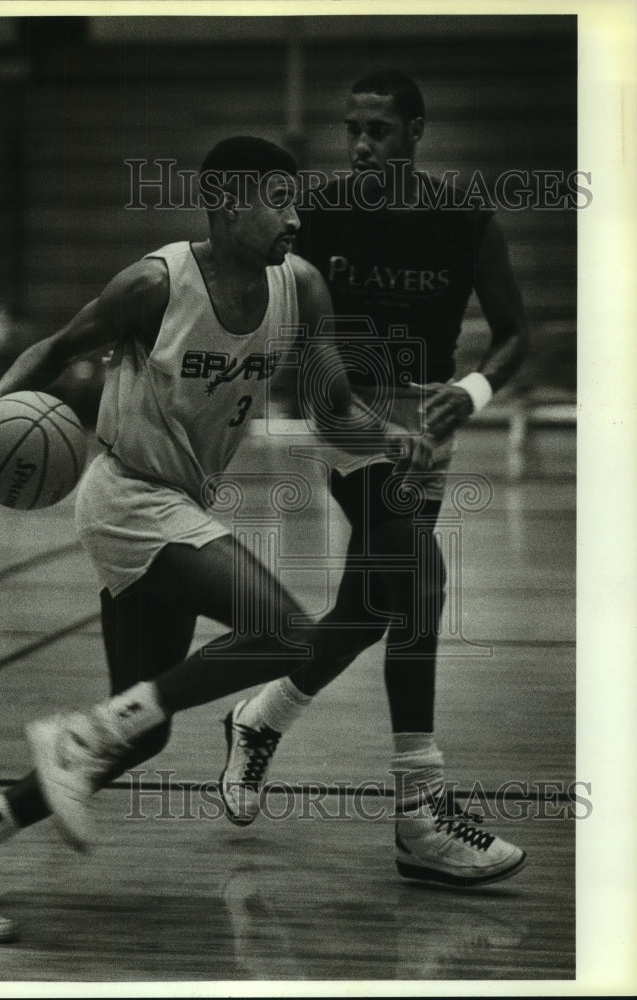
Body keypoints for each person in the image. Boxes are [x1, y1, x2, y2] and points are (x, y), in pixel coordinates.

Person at [0, 135, 430, 942]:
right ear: (229, 204)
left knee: (142, 729)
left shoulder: (301, 286)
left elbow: (329, 402)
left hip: (178, 498)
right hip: (127, 496)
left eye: (295, 200)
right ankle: (78, 732)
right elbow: (54, 349)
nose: (295, 216)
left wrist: (390, 435)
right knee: (286, 633)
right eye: (278, 201)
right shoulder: (155, 284)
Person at [218, 70, 530, 888]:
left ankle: (262, 715)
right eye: (353, 129)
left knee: (371, 603)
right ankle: (420, 814)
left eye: (380, 131)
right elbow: (286, 325)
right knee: (418, 581)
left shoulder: (462, 217)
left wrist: (472, 391)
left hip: (431, 421)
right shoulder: (318, 215)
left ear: (417, 132)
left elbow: (519, 337)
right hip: (350, 414)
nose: (361, 145)